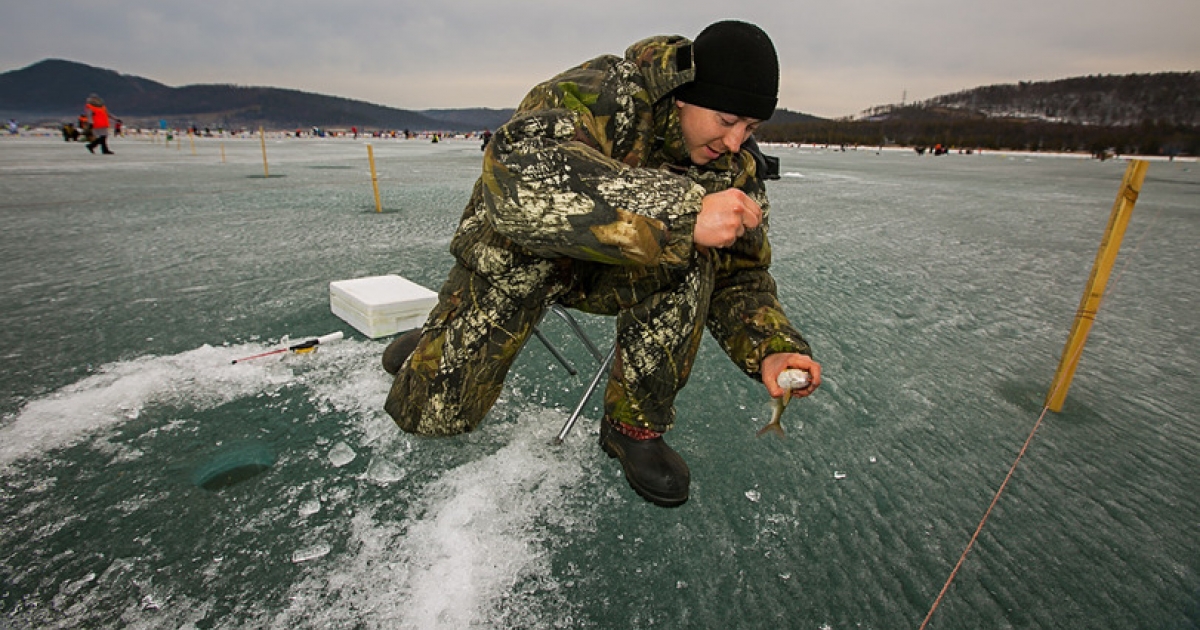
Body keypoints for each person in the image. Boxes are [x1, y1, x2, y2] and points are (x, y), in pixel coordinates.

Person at [382, 20, 822, 507]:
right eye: (725, 120)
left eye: (751, 127)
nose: (736, 141)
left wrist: (771, 347)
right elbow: (516, 180)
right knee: (433, 415)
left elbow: (742, 274)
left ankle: (633, 425)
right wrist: (683, 212)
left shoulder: (734, 167)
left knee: (696, 260)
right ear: (682, 96)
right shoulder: (606, 92)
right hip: (520, 253)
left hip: (611, 273)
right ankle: (437, 340)